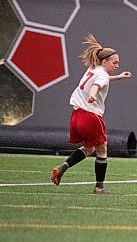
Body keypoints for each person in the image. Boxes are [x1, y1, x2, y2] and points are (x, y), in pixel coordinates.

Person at [51, 34, 132, 194]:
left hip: (76, 116)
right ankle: (99, 188)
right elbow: (97, 84)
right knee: (102, 151)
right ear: (104, 61)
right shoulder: (101, 74)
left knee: (89, 148)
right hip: (90, 117)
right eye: (114, 63)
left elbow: (102, 79)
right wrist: (93, 94)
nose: (117, 65)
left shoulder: (93, 69)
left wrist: (118, 77)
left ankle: (62, 168)